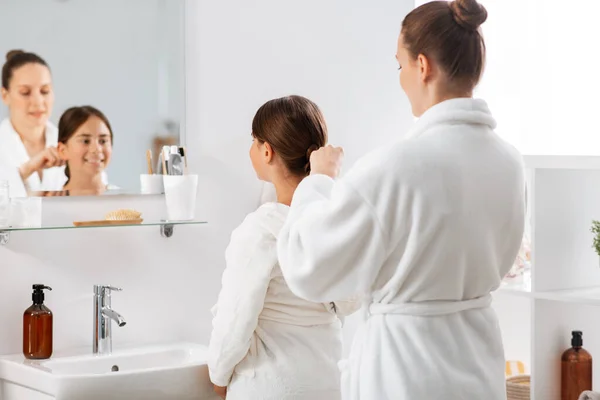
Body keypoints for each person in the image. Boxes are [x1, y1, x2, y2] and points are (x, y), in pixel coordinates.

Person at [276, 1, 526, 399]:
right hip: (478, 366)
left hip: (406, 374)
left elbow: (310, 266)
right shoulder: (509, 163)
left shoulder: (394, 166)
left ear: (422, 66)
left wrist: (319, 181)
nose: (401, 78)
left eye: (400, 65)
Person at [208, 95, 358, 400]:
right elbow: (351, 300)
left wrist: (218, 376)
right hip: (327, 381)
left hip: (269, 386)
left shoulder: (260, 231)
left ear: (267, 151)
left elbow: (235, 320)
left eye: (254, 140)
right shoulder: (335, 224)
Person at [0, 50, 65, 196]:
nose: (37, 101)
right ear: (5, 95)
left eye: (44, 91)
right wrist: (25, 171)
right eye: (25, 92)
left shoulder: (70, 142)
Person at [56, 106, 117, 195]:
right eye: (85, 141)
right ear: (62, 150)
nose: (97, 149)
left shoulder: (123, 202)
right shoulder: (50, 203)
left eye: (103, 141)